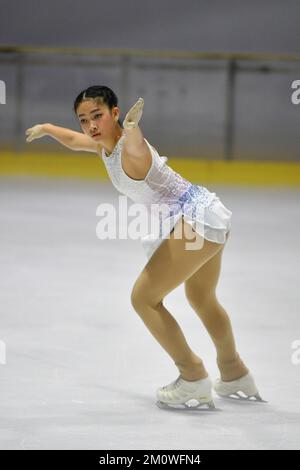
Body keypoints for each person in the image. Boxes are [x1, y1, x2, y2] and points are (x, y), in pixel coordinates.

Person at [25, 85, 264, 410]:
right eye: (84, 120)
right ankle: (234, 371)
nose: (91, 126)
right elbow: (74, 141)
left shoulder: (129, 147)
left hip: (196, 219)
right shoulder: (103, 148)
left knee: (143, 298)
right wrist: (47, 129)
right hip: (208, 211)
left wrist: (134, 129)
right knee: (201, 297)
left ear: (115, 113)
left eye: (97, 116)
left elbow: (136, 147)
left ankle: (192, 376)